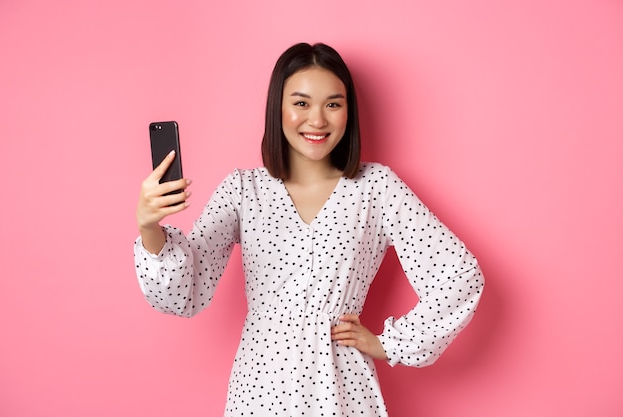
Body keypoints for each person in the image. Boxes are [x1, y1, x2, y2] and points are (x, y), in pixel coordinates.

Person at [134, 42, 484, 417]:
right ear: (278, 109)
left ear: (348, 112)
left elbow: (459, 276)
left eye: (333, 104)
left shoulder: (376, 188)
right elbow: (185, 292)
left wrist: (392, 344)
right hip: (260, 387)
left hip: (342, 387)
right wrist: (150, 225)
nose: (317, 120)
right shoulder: (243, 189)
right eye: (301, 103)